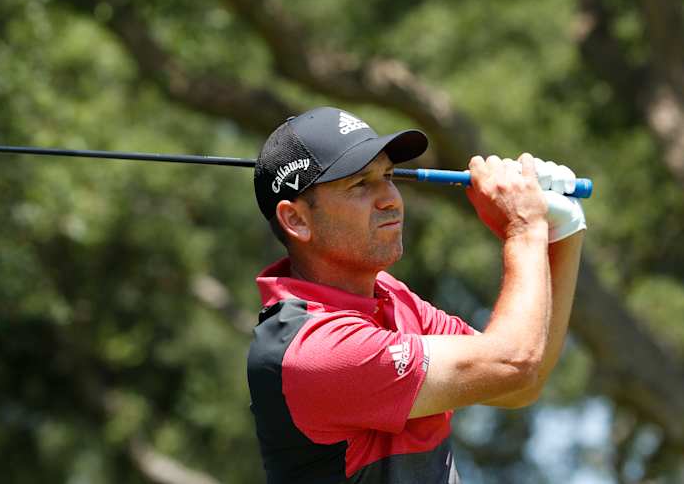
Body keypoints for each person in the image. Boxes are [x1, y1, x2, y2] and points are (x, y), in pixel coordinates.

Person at [247, 107, 586, 483]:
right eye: (360, 184)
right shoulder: (312, 349)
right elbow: (514, 363)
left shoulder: (389, 296)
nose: (390, 199)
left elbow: (519, 382)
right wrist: (524, 227)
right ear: (296, 220)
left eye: (388, 176)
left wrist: (562, 233)